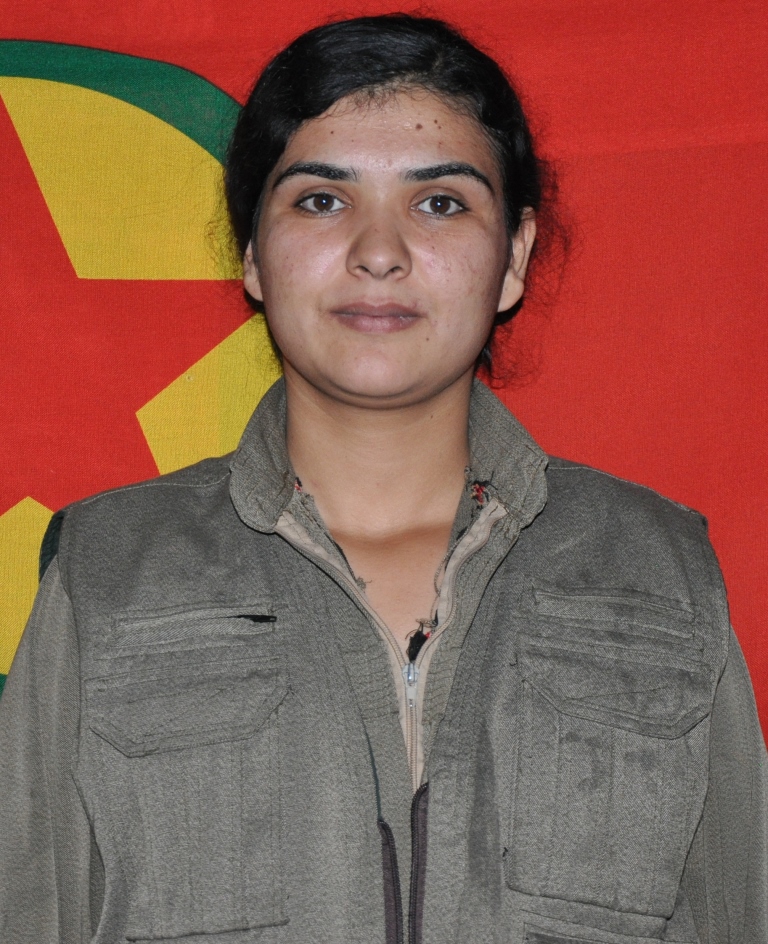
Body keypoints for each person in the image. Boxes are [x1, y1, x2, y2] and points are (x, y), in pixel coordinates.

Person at [0, 13, 765, 944]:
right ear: (252, 252)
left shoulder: (658, 571)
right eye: (322, 199)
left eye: (439, 202)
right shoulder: (109, 570)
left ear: (514, 257)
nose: (379, 250)